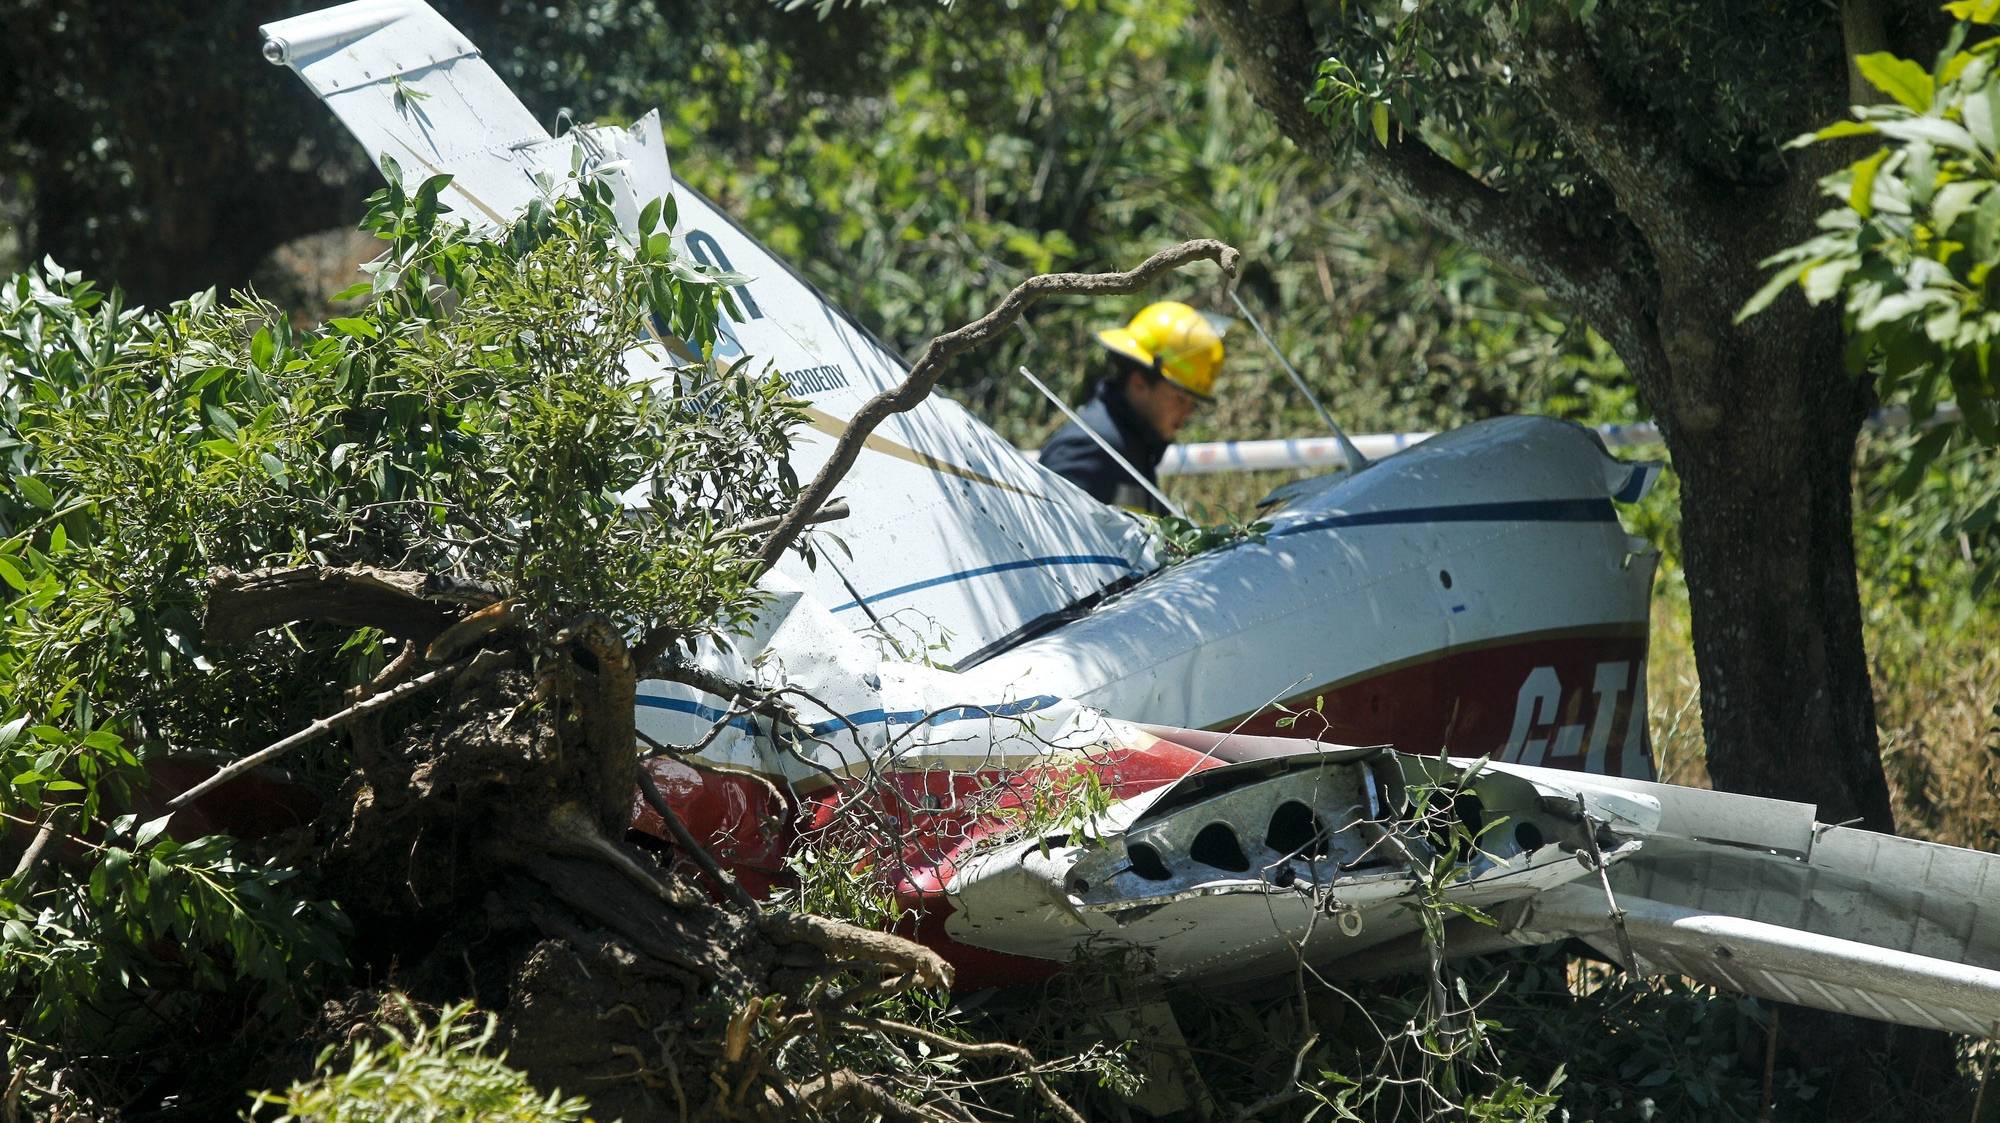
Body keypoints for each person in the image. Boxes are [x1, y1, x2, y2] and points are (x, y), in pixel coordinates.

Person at [1039, 301, 1224, 514]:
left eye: (1193, 404)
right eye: (1180, 399)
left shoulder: (1136, 446)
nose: (1187, 414)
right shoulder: (1089, 448)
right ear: (1139, 384)